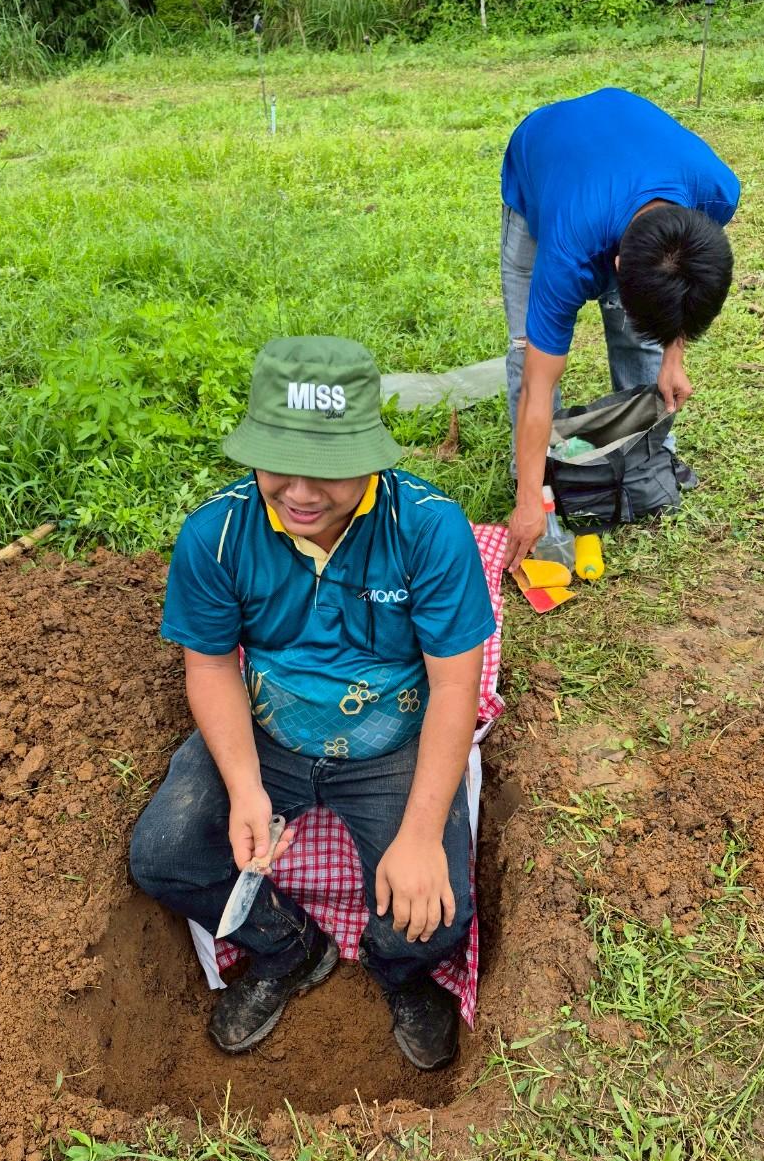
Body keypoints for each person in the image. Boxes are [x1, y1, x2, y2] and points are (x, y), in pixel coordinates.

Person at [130, 336, 495, 1071]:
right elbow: (209, 666)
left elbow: (457, 682)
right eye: (279, 462)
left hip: (391, 744)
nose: (300, 492)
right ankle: (288, 946)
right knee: (162, 855)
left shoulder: (427, 529)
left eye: (327, 470)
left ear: (370, 454)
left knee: (438, 906)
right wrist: (243, 789)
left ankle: (399, 971)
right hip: (270, 730)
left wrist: (421, 835)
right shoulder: (217, 535)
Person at [501, 87, 740, 571]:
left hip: (626, 132)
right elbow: (537, 381)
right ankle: (535, 478)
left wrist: (673, 355)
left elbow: (685, 282)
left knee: (638, 334)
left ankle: (645, 456)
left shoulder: (717, 190)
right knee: (528, 351)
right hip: (543, 154)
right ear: (613, 264)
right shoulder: (566, 250)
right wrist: (529, 500)